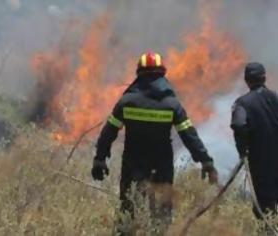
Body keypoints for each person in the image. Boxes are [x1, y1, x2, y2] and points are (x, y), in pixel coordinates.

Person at [91, 52, 218, 232]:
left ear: (139, 74)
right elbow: (189, 135)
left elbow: (108, 132)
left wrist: (100, 159)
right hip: (162, 166)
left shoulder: (127, 102)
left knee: (129, 209)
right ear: (162, 74)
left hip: (133, 165)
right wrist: (205, 161)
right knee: (161, 214)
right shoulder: (171, 104)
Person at [231, 62, 278, 220]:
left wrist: (243, 150)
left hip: (261, 163)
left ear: (247, 80)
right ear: (264, 78)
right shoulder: (276, 98)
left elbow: (239, 124)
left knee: (264, 206)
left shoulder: (242, 103)